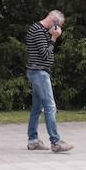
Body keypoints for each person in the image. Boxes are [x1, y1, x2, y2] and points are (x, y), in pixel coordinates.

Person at [25, 9, 72, 153]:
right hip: (39, 72)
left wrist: (51, 36)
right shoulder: (38, 30)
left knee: (37, 108)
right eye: (59, 25)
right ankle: (56, 142)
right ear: (54, 21)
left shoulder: (42, 30)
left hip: (38, 72)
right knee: (50, 107)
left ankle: (33, 141)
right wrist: (54, 38)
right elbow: (45, 54)